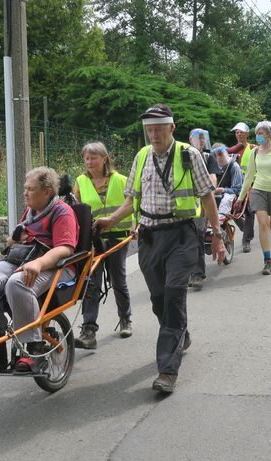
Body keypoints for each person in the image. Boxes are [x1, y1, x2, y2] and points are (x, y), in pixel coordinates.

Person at [95, 103, 225, 393]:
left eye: (158, 128)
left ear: (171, 128)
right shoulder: (141, 156)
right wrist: (111, 220)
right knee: (158, 299)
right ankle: (181, 334)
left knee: (175, 295)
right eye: (149, 130)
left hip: (182, 234)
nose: (153, 134)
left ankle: (167, 370)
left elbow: (207, 198)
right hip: (150, 237)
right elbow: (131, 200)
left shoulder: (189, 155)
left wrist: (217, 235)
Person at [0, 167, 79, 373]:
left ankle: (34, 350)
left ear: (47, 191)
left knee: (18, 282)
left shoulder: (62, 212)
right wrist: (14, 239)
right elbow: (17, 239)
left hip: (56, 265)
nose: (25, 193)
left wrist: (38, 264)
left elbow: (65, 248)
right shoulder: (31, 212)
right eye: (25, 188)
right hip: (23, 259)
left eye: (30, 189)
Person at [72, 142, 133, 349]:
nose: (89, 162)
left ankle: (125, 319)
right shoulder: (80, 182)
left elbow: (131, 206)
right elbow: (75, 211)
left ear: (104, 158)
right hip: (94, 241)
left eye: (93, 158)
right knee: (92, 283)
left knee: (118, 279)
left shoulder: (121, 180)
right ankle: (89, 331)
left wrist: (134, 225)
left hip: (117, 237)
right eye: (86, 158)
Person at [238, 121, 271, 275]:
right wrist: (241, 198)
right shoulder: (254, 152)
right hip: (258, 190)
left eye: (260, 133)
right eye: (257, 134)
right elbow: (248, 177)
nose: (258, 136)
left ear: (269, 135)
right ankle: (267, 260)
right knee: (262, 224)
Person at [187, 128, 217, 291]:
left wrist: (209, 190)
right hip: (182, 204)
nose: (201, 141)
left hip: (201, 203)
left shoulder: (208, 156)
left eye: (203, 138)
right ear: (190, 140)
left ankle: (197, 273)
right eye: (197, 138)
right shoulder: (182, 156)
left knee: (197, 233)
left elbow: (212, 177)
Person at [227, 121, 255, 253]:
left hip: (251, 184)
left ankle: (246, 240)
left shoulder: (254, 148)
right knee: (231, 207)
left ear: (247, 134)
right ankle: (245, 227)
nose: (238, 134)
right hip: (237, 184)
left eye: (241, 132)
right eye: (236, 132)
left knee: (249, 209)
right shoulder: (231, 150)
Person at [210, 143, 243, 215]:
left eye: (221, 154)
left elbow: (237, 189)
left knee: (226, 199)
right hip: (215, 195)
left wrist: (222, 190)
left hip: (231, 196)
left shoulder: (233, 166)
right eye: (216, 155)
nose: (219, 157)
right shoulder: (211, 166)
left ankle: (221, 219)